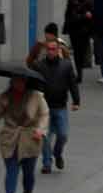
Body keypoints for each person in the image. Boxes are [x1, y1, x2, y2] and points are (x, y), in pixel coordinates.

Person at [0, 72, 48, 193]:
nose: (18, 84)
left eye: (21, 81)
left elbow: (44, 114)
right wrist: (1, 104)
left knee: (28, 172)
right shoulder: (5, 96)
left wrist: (41, 130)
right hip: (10, 136)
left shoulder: (36, 96)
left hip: (30, 137)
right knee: (12, 168)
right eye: (15, 81)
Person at [29, 25, 81, 171]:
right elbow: (32, 83)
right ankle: (46, 163)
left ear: (58, 50)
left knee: (63, 135)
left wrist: (76, 101)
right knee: (45, 137)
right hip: (44, 106)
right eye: (49, 49)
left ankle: (57, 153)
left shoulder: (66, 65)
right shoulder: (39, 65)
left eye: (54, 49)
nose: (51, 52)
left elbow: (72, 83)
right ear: (46, 50)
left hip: (60, 105)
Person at [63, 0, 94, 76]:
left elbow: (91, 14)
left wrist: (84, 17)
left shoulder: (88, 0)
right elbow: (68, 15)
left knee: (81, 51)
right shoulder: (71, 0)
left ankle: (80, 69)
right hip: (74, 29)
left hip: (84, 30)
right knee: (76, 52)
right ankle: (79, 72)